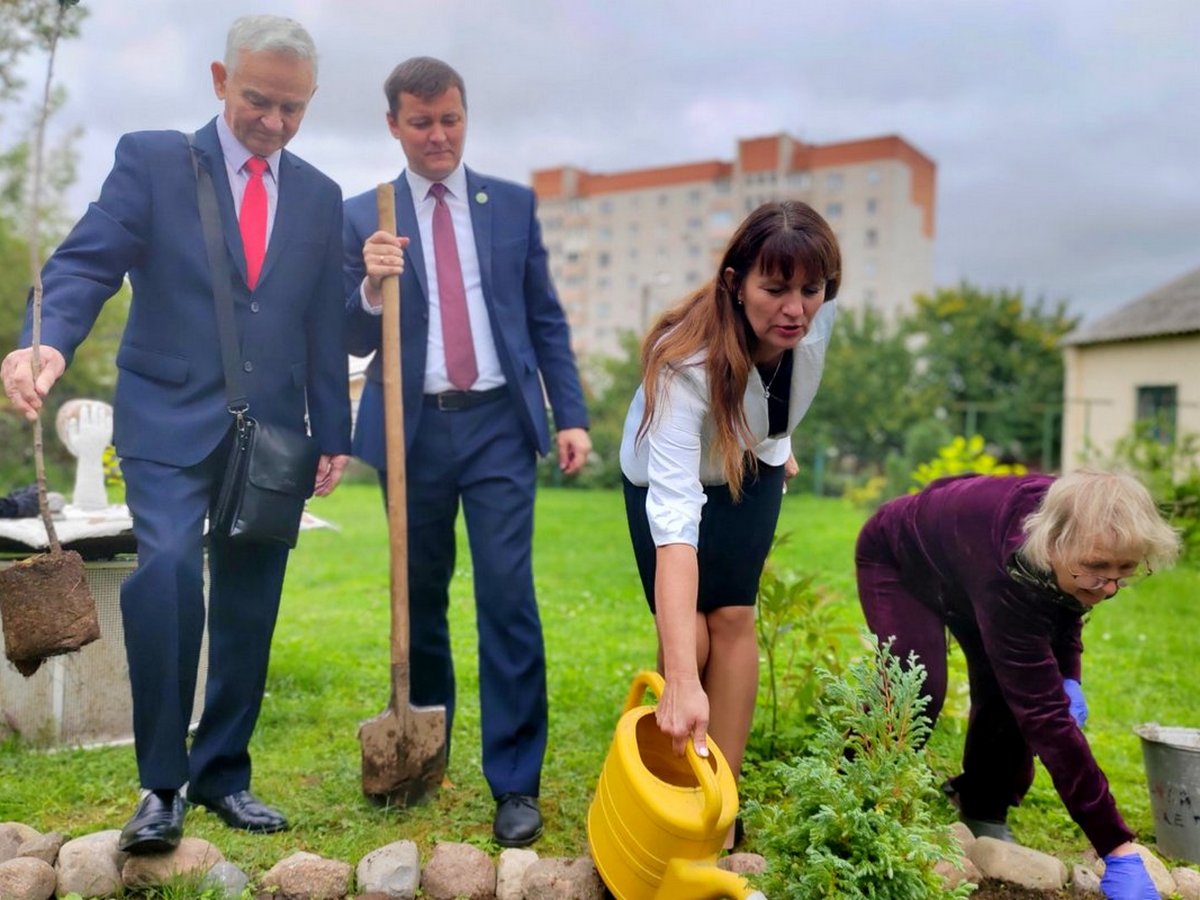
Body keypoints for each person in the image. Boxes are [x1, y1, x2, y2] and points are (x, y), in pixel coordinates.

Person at [0, 15, 350, 854]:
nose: (273, 122)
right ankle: (161, 783)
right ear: (221, 78)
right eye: (259, 100)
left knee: (249, 600)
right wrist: (46, 338)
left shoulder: (320, 195)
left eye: (292, 109)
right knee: (163, 575)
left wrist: (330, 431)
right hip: (166, 415)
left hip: (270, 434)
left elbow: (320, 323)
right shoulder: (154, 160)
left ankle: (225, 770)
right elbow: (87, 262)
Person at [343, 56, 590, 847]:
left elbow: (544, 316)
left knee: (507, 597)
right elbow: (346, 333)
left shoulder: (510, 205)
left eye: (450, 118)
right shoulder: (364, 216)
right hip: (407, 429)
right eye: (421, 122)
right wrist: (371, 286)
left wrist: (571, 413)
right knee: (419, 601)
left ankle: (515, 782)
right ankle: (425, 750)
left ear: (463, 115)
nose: (438, 135)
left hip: (496, 426)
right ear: (394, 126)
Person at [619, 201, 840, 847]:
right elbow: (678, 529)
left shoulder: (815, 329)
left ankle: (720, 802)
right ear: (736, 283)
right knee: (691, 631)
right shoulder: (682, 362)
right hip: (664, 481)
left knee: (734, 618)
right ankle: (676, 773)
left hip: (755, 461)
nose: (795, 309)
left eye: (811, 289)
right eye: (774, 289)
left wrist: (778, 439)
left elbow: (781, 387)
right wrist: (684, 683)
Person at [855, 469, 1180, 899]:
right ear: (1052, 546)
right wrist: (1116, 847)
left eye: (1125, 571)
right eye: (1098, 569)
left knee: (1007, 687)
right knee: (917, 685)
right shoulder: (1010, 576)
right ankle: (855, 798)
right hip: (900, 560)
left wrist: (1070, 676)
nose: (1109, 588)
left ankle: (983, 809)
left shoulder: (1076, 534)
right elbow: (1046, 720)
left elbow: (1064, 605)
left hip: (967, 559)